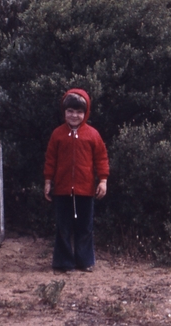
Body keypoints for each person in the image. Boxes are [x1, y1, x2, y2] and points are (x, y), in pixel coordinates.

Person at [44, 88, 110, 272]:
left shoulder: (93, 134)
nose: (74, 115)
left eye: (79, 111)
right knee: (63, 227)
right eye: (70, 111)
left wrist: (103, 180)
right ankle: (63, 263)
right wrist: (48, 181)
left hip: (86, 190)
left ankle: (85, 261)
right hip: (63, 190)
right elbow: (50, 160)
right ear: (64, 112)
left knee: (85, 227)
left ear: (85, 113)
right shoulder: (57, 134)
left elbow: (101, 159)